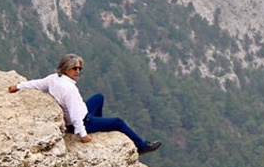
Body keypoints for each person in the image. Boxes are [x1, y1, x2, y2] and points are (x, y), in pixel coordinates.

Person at [8, 53, 162, 155]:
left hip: (84, 114)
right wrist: (83, 135)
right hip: (83, 122)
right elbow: (75, 115)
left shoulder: (54, 78)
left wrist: (18, 86)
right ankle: (142, 147)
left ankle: (100, 126)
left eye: (79, 68)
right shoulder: (69, 89)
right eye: (74, 68)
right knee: (118, 122)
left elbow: (37, 84)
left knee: (98, 97)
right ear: (65, 68)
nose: (78, 71)